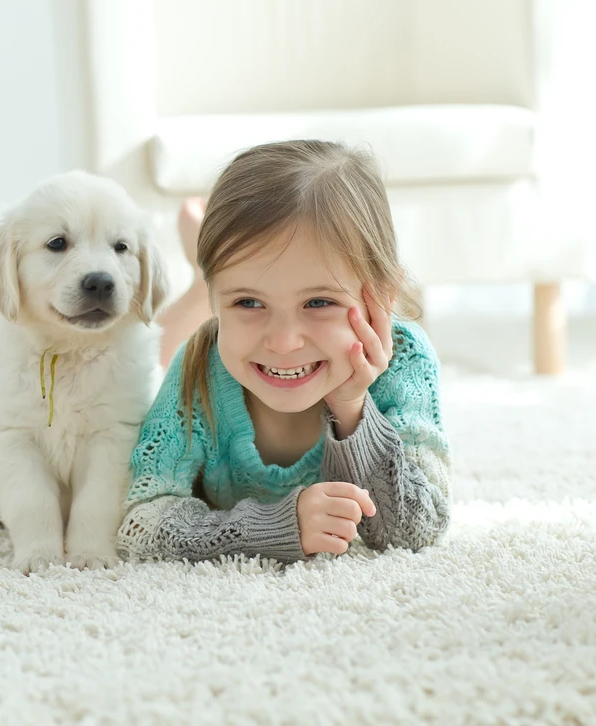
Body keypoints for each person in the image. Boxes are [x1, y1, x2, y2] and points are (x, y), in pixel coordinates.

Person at [117, 139, 451, 563]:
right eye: (248, 302)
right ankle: (199, 277)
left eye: (318, 303)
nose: (283, 342)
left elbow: (416, 531)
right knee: (149, 354)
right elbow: (140, 523)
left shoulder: (406, 359)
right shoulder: (197, 369)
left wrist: (352, 409)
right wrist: (275, 526)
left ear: (381, 296)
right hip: (207, 332)